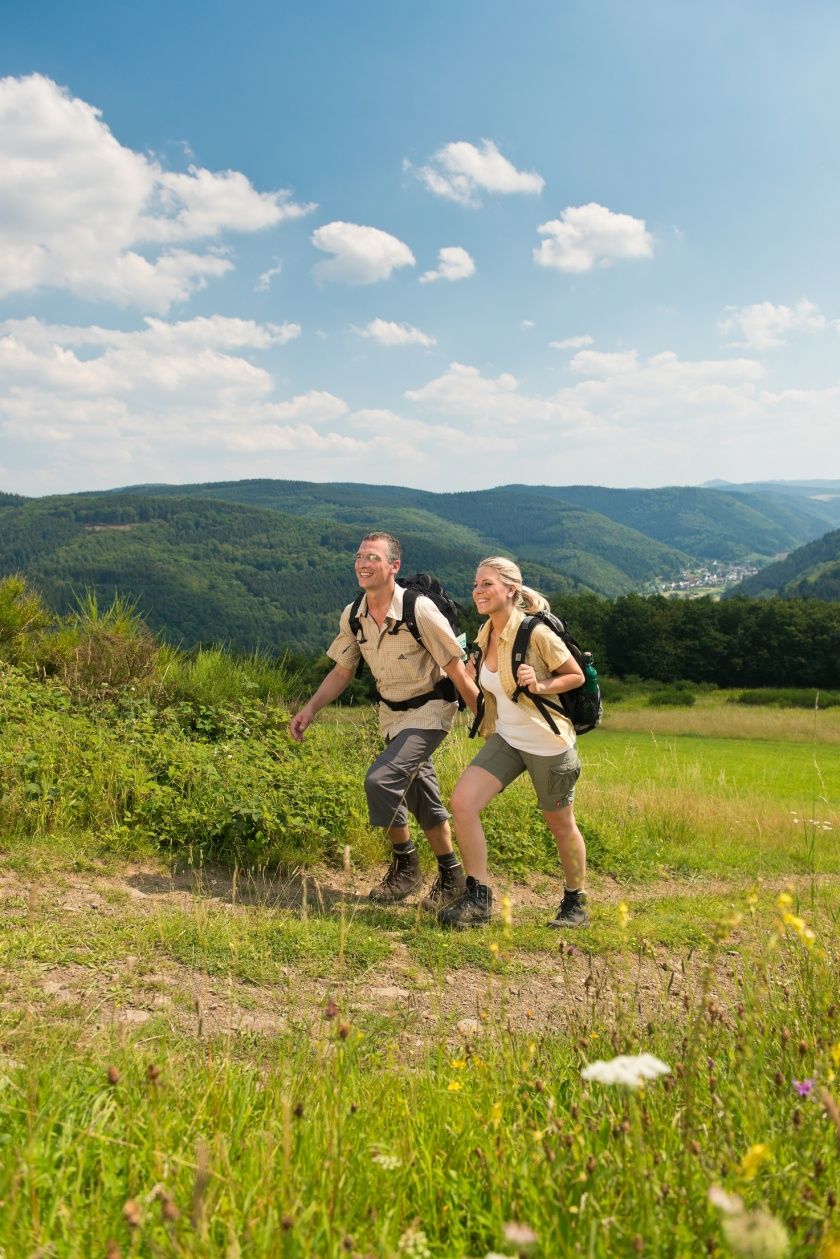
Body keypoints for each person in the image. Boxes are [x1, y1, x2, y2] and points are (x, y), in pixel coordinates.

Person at [290, 532, 479, 908]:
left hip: (430, 711)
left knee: (381, 780)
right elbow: (343, 670)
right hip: (392, 716)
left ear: (394, 566)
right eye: (360, 556)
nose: (363, 563)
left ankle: (406, 866)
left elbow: (455, 667)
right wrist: (310, 709)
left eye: (373, 557)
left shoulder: (418, 609)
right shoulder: (353, 614)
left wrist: (482, 715)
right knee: (422, 796)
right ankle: (452, 876)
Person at [440, 556, 589, 930]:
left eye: (487, 584)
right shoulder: (485, 633)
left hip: (547, 743)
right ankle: (479, 897)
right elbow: (490, 693)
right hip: (508, 738)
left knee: (560, 824)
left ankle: (576, 902)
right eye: (476, 584)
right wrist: (469, 674)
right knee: (462, 802)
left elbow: (575, 675)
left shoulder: (534, 633)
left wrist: (540, 685)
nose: (478, 591)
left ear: (511, 589)